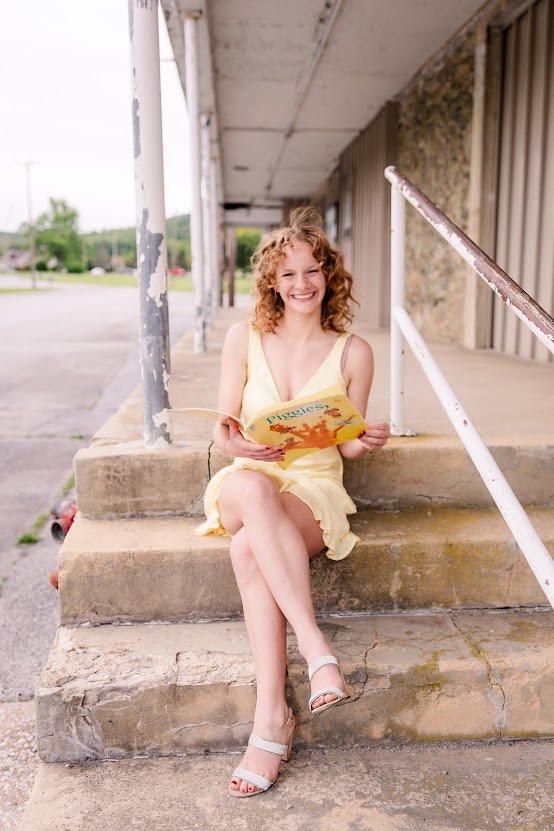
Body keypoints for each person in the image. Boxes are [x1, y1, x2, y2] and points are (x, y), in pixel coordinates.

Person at [195, 207, 390, 797]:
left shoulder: (354, 352)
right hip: (249, 475)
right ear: (272, 284)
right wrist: (239, 439)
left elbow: (349, 445)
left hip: (313, 487)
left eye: (313, 271)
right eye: (289, 275)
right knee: (252, 488)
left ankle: (270, 720)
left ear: (329, 275)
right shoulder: (244, 338)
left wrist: (365, 439)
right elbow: (222, 428)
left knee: (251, 548)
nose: (302, 284)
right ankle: (315, 647)